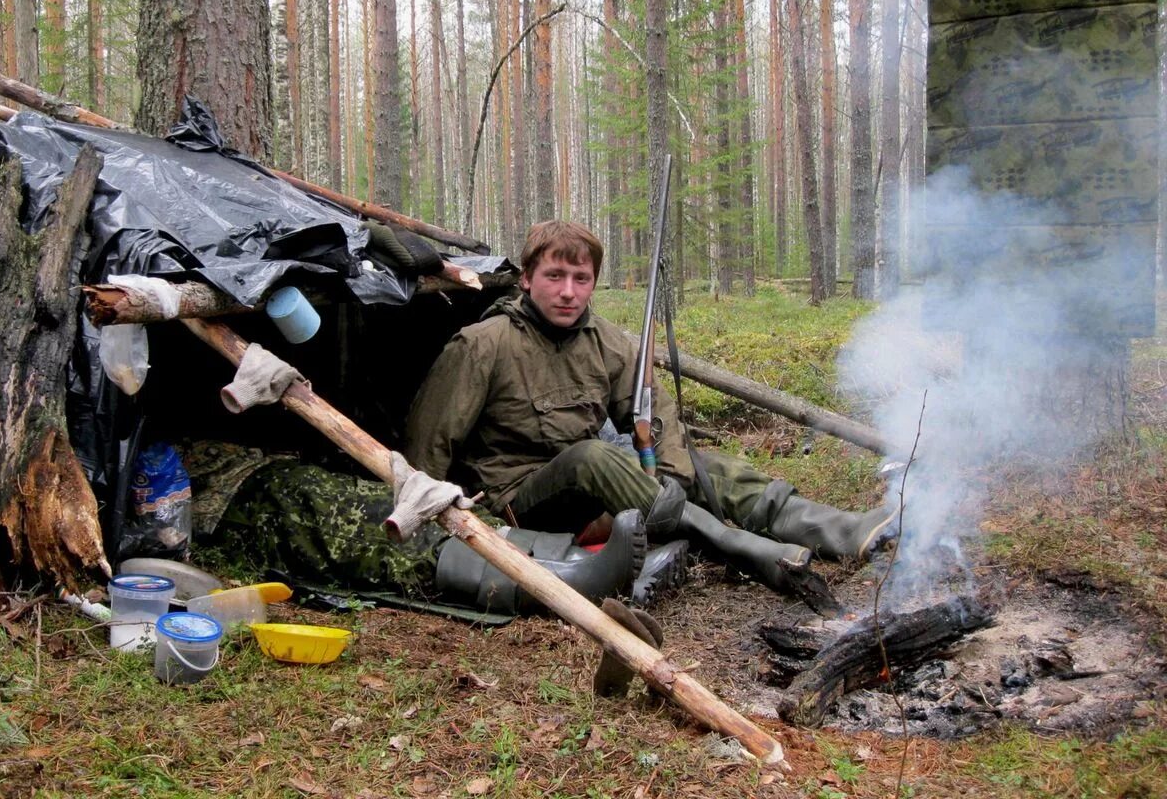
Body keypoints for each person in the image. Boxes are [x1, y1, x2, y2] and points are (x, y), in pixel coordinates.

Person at [405, 220, 898, 607]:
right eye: (554, 276)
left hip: (590, 498)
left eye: (582, 278)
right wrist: (444, 529)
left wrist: (674, 474)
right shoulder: (482, 346)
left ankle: (841, 530)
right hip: (519, 502)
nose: (568, 292)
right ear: (527, 279)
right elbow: (428, 447)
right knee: (594, 457)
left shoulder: (605, 342)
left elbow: (654, 417)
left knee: (706, 464)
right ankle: (747, 550)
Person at [214, 456, 688, 614]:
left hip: (248, 469)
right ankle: (563, 582)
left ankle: (573, 563)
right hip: (228, 497)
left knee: (399, 501)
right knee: (353, 525)